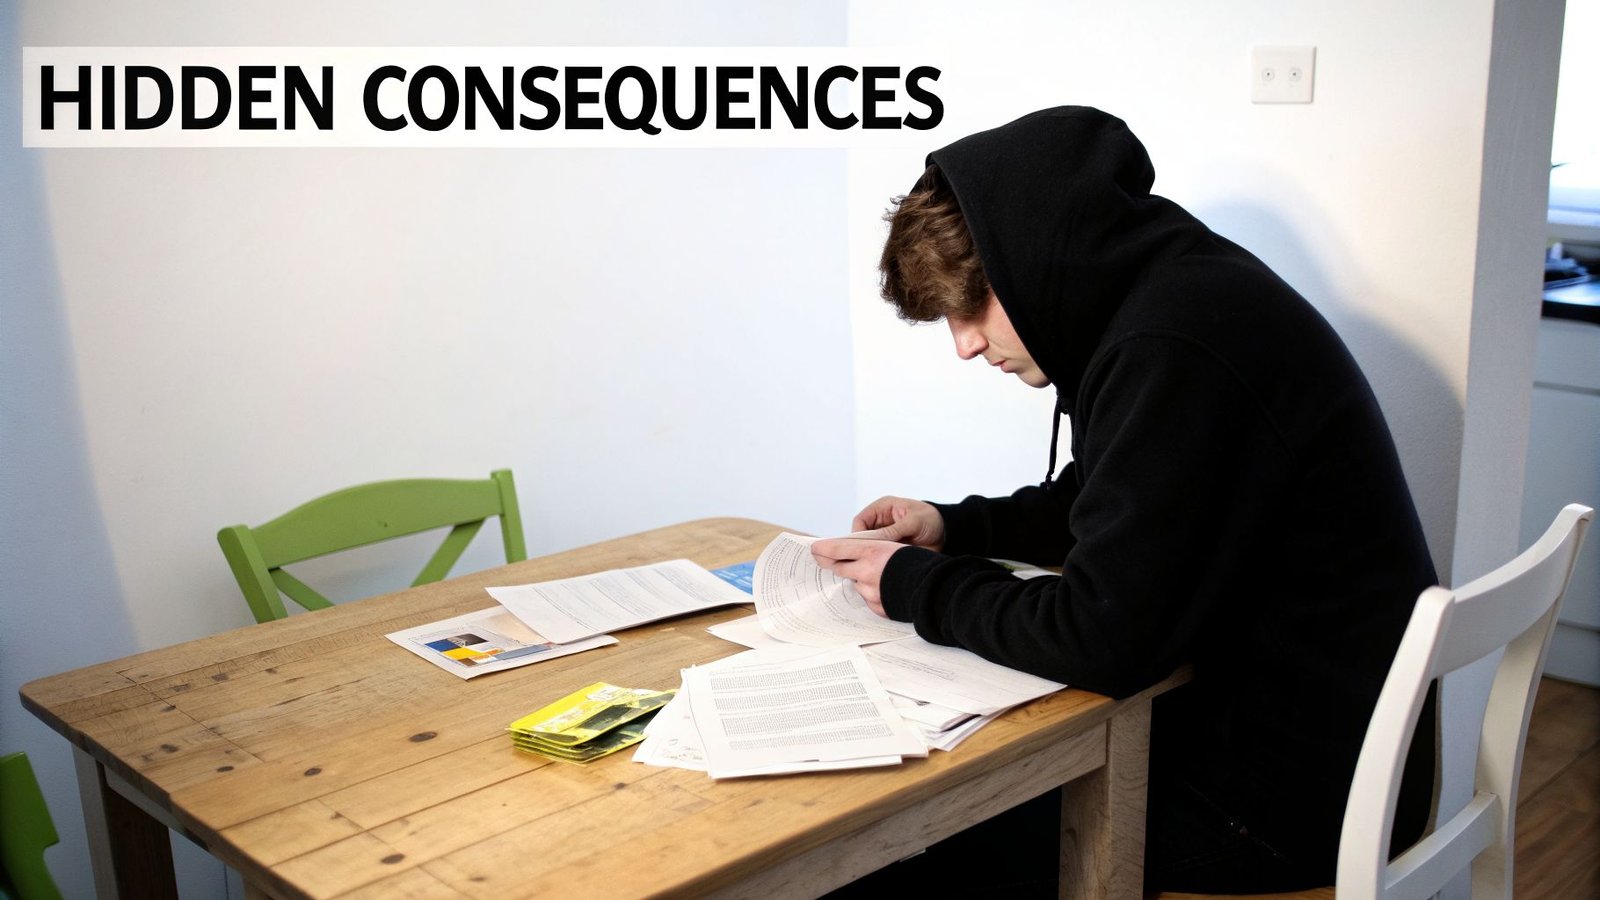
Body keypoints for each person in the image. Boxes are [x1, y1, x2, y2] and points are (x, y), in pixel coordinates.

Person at [812, 107, 1436, 893]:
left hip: (1284, 805)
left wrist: (913, 586)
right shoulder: (1181, 292)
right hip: (1324, 746)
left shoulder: (1169, 349)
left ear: (1036, 260)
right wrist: (954, 527)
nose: (964, 343)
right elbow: (1120, 496)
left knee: (900, 839)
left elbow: (1100, 641)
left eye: (971, 306)